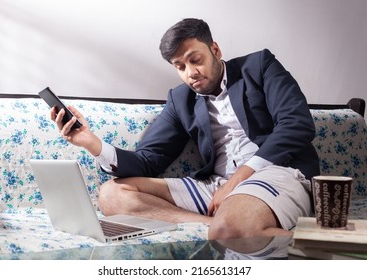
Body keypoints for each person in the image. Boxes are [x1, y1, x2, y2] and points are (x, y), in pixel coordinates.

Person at [52, 18, 320, 240]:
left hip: (276, 174)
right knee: (112, 195)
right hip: (215, 188)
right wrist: (91, 142)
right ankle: (212, 226)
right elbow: (148, 160)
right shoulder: (181, 99)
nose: (190, 73)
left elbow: (297, 125)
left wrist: (239, 178)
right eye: (180, 67)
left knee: (233, 222)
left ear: (215, 50)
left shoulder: (259, 66)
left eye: (195, 60)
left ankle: (235, 227)